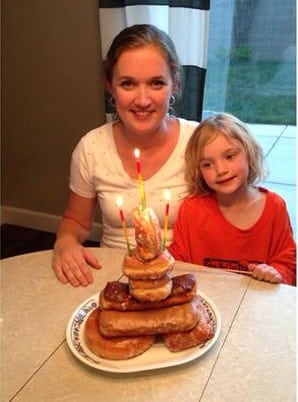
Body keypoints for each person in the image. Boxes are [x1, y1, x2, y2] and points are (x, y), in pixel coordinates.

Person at [53, 24, 199, 287]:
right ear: (110, 86)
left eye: (156, 83)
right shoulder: (91, 147)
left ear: (174, 83)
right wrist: (65, 242)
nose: (142, 100)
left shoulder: (199, 143)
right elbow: (75, 221)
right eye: (128, 83)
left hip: (184, 278)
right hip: (115, 276)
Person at [168, 113, 296, 285]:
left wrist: (276, 273)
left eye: (230, 156)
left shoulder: (274, 206)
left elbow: (288, 265)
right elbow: (178, 261)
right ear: (198, 171)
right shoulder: (191, 209)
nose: (220, 170)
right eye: (207, 164)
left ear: (250, 153)